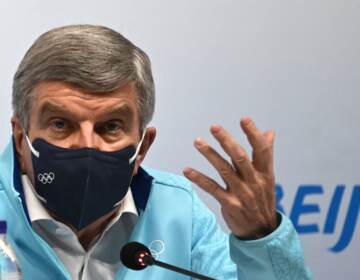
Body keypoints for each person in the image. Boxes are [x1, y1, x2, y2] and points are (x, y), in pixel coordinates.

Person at [0, 24, 311, 279]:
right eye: (60, 123)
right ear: (20, 136)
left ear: (143, 147)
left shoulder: (178, 212)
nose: (87, 145)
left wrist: (261, 238)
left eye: (110, 127)